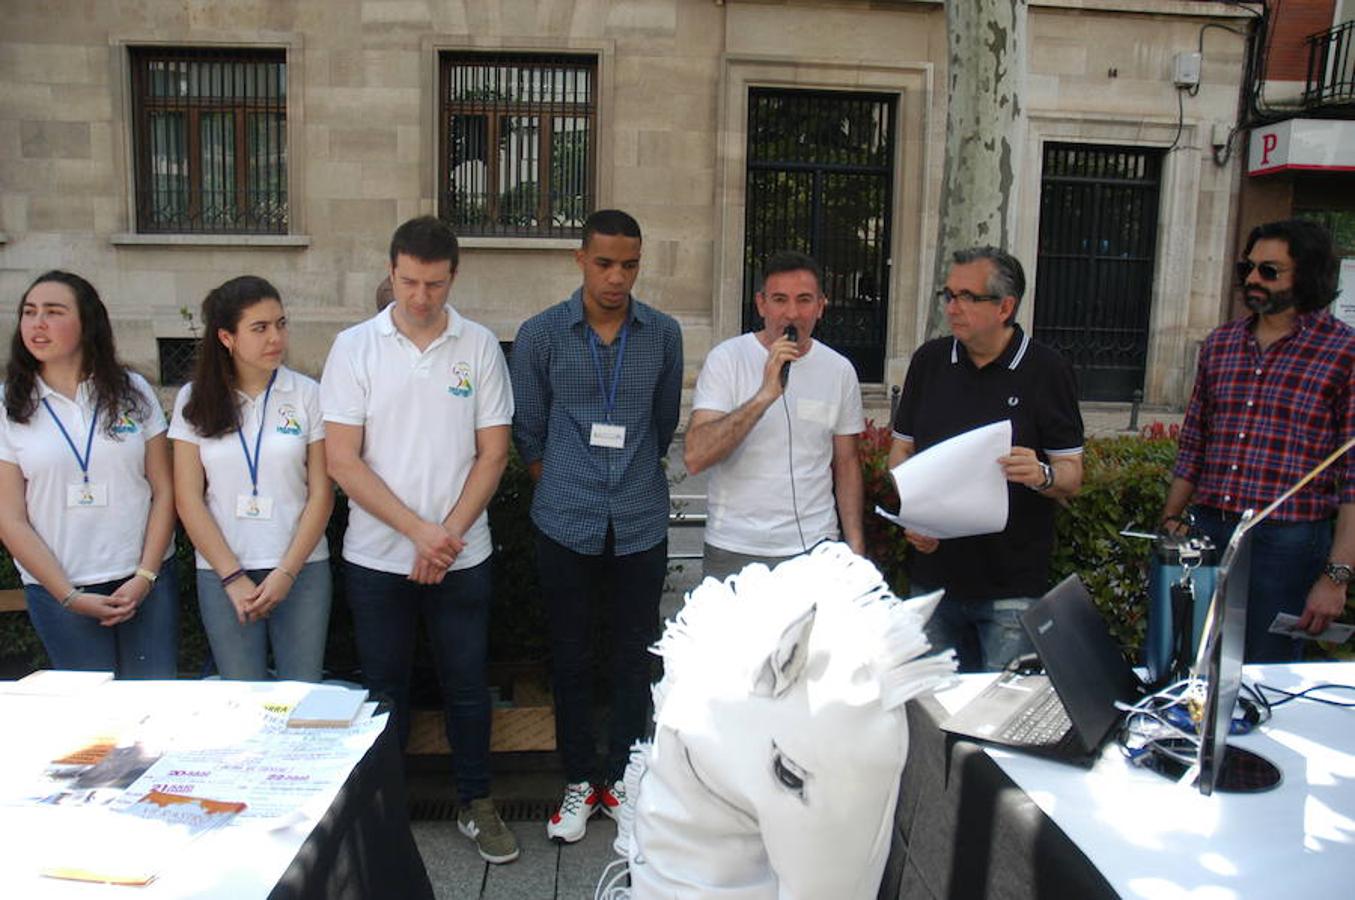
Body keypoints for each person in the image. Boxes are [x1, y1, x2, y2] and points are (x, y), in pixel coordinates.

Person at [321, 216, 518, 863]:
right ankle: (385, 810)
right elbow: (344, 460)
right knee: (384, 690)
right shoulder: (354, 348)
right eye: (408, 281)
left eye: (434, 284)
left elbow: (492, 454)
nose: (420, 297)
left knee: (466, 684)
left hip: (463, 554)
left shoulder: (480, 345)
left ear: (452, 276)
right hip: (377, 557)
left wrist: (446, 538)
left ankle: (476, 802)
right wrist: (417, 533)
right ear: (391, 272)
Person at [510, 209, 682, 844]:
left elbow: (663, 423)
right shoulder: (541, 334)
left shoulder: (662, 335)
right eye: (605, 262)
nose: (617, 277)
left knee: (636, 655)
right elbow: (529, 425)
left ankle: (626, 775)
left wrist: (627, 472)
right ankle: (579, 780)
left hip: (639, 516)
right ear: (580, 259)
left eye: (629, 264)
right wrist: (555, 481)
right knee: (572, 656)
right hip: (565, 519)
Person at [1161, 218, 1355, 662]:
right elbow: (1194, 442)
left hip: (1287, 539)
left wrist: (1336, 577)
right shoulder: (1221, 344)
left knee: (1266, 669)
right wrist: (1171, 518)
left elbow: (1352, 476)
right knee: (1192, 659)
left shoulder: (1343, 352)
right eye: (1246, 268)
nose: (1251, 279)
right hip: (1208, 528)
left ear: (1306, 275)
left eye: (1269, 270)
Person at [888, 247, 1084, 673]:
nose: (952, 308)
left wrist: (1042, 474)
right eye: (948, 295)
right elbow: (902, 451)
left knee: (997, 722)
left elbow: (1071, 476)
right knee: (928, 718)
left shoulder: (1047, 370)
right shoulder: (929, 362)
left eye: (966, 296)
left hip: (1009, 590)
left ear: (1005, 307)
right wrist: (912, 515)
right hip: (932, 583)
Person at [0, 271, 178, 677]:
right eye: (29, 313)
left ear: (87, 322)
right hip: (60, 591)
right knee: (94, 727)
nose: (37, 323)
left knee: (154, 712)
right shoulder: (9, 405)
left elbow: (163, 491)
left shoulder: (133, 391)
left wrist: (146, 576)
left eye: (53, 312)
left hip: (144, 582)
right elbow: (9, 517)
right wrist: (68, 596)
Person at [169, 276, 333, 682]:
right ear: (227, 337)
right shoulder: (194, 400)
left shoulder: (307, 394)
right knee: (243, 699)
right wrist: (232, 576)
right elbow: (188, 498)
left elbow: (321, 493)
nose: (275, 337)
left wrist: (286, 573)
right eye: (259, 328)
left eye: (280, 323)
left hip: (300, 570)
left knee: (301, 695)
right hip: (224, 573)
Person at [684, 250, 865, 579]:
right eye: (780, 299)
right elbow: (696, 456)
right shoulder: (727, 360)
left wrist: (855, 548)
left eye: (804, 300)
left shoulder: (839, 370)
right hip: (735, 546)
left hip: (814, 545)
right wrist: (765, 394)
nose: (792, 313)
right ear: (761, 304)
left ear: (821, 306)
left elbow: (846, 463)